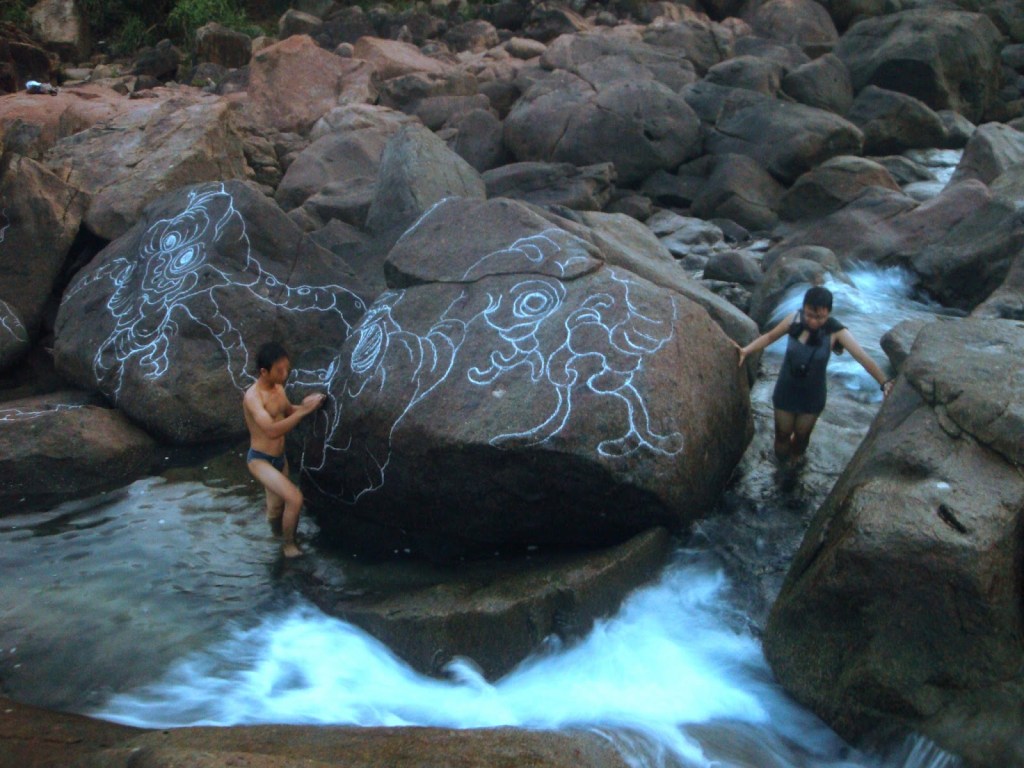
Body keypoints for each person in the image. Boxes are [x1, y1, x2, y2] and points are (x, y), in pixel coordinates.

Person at [735, 285, 893, 463]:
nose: (813, 321)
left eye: (820, 317)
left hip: (812, 396)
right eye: (809, 315)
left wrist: (884, 382)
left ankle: (793, 471)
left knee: (801, 439)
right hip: (785, 389)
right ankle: (779, 468)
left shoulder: (836, 331)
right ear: (804, 308)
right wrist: (746, 351)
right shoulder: (793, 319)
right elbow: (770, 337)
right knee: (782, 435)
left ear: (829, 313)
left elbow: (862, 358)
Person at [242, 342, 326, 557]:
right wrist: (302, 413)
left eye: (286, 368)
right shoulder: (253, 398)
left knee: (277, 509)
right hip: (260, 460)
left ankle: (272, 535)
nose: (285, 374)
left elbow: (289, 411)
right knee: (295, 498)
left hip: (280, 459)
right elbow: (270, 430)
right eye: (280, 370)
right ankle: (288, 546)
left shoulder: (278, 389)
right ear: (264, 371)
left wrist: (313, 406)